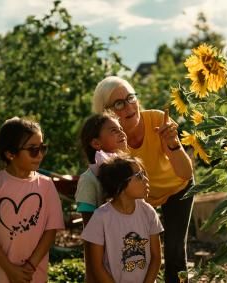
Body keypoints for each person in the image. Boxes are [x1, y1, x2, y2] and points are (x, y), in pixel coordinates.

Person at [92, 76, 194, 283]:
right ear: (105, 112)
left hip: (177, 189)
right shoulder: (113, 142)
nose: (129, 106)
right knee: (138, 251)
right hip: (141, 197)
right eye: (119, 103)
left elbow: (185, 173)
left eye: (130, 98)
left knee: (174, 250)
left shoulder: (158, 120)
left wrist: (173, 144)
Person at [0, 117, 64, 283]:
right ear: (10, 153)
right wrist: (9, 269)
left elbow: (51, 231)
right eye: (33, 150)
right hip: (0, 276)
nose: (40, 154)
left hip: (34, 276)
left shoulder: (47, 186)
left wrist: (30, 267)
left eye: (42, 148)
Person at [81, 155, 164, 283]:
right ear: (121, 185)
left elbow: (156, 257)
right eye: (140, 176)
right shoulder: (100, 218)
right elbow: (97, 266)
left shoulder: (149, 212)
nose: (146, 180)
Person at [74, 111, 127, 282]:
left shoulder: (132, 173)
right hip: (104, 267)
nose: (122, 132)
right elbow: (89, 233)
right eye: (113, 130)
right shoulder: (89, 180)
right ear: (96, 143)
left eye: (120, 128)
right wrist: (93, 275)